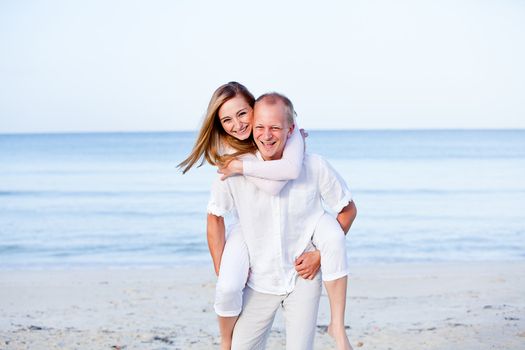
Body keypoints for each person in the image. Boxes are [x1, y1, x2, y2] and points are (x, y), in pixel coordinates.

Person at [179, 83, 356, 349]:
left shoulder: (312, 164)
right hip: (259, 280)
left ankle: (337, 327)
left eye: (243, 115)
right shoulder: (231, 168)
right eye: (228, 119)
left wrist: (320, 255)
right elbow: (214, 217)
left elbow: (347, 209)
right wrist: (224, 270)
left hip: (302, 278)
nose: (263, 133)